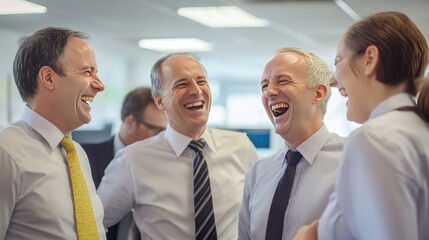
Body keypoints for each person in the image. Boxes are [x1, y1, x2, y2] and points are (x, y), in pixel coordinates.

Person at [294, 11, 429, 240]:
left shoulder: (374, 138)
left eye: (338, 61)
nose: (332, 80)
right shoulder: (418, 130)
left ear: (369, 59)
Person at [97, 53, 260, 239]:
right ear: (160, 101)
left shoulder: (241, 146)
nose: (197, 91)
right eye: (182, 84)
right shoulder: (132, 160)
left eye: (201, 81)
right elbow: (93, 223)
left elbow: (260, 214)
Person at [0, 27, 106, 239]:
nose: (100, 85)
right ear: (48, 78)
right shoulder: (6, 153)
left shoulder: (75, 153)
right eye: (87, 72)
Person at [238, 47, 344, 240]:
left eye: (283, 80)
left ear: (318, 93)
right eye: (264, 86)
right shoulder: (257, 174)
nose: (269, 92)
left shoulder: (352, 161)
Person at [82, 86, 167, 240]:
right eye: (157, 131)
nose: (162, 138)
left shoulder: (163, 167)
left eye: (166, 132)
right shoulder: (84, 157)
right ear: (130, 121)